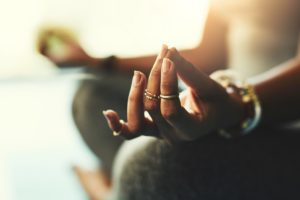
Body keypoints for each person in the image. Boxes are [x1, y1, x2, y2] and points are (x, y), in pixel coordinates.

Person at [38, 0, 300, 199]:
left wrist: (236, 104)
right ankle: (120, 185)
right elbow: (209, 55)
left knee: (153, 163)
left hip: (280, 120)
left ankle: (111, 190)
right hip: (228, 101)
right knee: (92, 95)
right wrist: (100, 62)